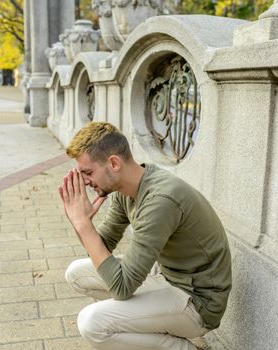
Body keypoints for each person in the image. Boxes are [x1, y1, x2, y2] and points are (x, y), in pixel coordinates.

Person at [59, 122, 232, 350]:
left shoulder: (160, 200)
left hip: (198, 302)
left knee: (92, 323)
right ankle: (137, 327)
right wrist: (81, 222)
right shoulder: (127, 188)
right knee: (76, 273)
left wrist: (83, 226)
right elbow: (101, 248)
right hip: (169, 278)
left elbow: (122, 287)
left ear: (113, 163)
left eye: (88, 173)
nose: (85, 182)